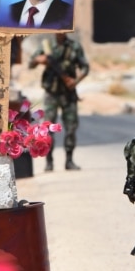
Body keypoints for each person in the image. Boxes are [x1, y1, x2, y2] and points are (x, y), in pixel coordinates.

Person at [28, 32, 89, 171]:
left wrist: (76, 81)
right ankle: (49, 162)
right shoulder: (46, 45)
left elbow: (85, 67)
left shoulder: (74, 47)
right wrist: (39, 59)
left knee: (71, 127)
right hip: (51, 94)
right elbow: (31, 63)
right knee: (48, 128)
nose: (61, 32)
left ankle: (69, 160)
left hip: (68, 93)